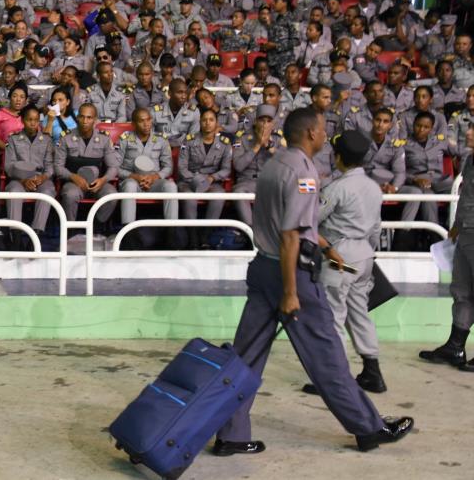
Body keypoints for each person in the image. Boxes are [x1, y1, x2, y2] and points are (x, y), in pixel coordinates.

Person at [212, 107, 413, 457]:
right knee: (327, 356)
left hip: (263, 266)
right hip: (290, 275)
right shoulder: (305, 172)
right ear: (309, 133)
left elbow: (293, 223)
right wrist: (291, 292)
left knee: (246, 357)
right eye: (322, 130)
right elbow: (291, 235)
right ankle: (369, 428)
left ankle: (231, 434)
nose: (325, 135)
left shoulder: (274, 164)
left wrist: (326, 246)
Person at [301, 130, 387, 396]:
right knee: (359, 313)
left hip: (339, 256)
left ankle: (333, 378)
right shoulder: (373, 187)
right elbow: (376, 228)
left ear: (338, 157)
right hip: (364, 255)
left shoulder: (337, 188)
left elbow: (311, 219)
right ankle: (372, 371)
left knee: (332, 317)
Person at [420, 125, 474, 371]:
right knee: (461, 289)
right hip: (466, 231)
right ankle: (455, 346)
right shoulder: (470, 159)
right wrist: (456, 224)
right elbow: (467, 196)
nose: (469, 133)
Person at [117, 107, 178, 242]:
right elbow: (116, 168)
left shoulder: (161, 139)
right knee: (130, 186)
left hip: (154, 181)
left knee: (171, 186)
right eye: (141, 121)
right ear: (133, 123)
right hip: (132, 180)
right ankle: (128, 236)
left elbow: (168, 167)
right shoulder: (125, 139)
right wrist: (135, 177)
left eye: (148, 120)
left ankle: (171, 234)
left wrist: (154, 177)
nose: (146, 124)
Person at [54, 102, 119, 224]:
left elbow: (113, 167)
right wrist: (73, 177)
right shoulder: (66, 137)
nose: (85, 121)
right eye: (82, 117)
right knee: (70, 194)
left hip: (97, 183)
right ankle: (70, 229)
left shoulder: (104, 139)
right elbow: (58, 167)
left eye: (89, 117)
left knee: (111, 194)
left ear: (95, 120)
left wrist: (103, 180)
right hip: (74, 183)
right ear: (77, 118)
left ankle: (96, 226)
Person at [177, 108, 234, 248]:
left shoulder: (224, 143)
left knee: (219, 195)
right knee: (189, 198)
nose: (207, 123)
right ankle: (193, 237)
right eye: (204, 120)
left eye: (211, 120)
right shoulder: (189, 140)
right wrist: (197, 180)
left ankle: (205, 236)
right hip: (189, 181)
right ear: (200, 122)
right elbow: (182, 168)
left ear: (216, 122)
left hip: (212, 182)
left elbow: (226, 169)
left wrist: (212, 178)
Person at [4, 104, 56, 249]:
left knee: (47, 192)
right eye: (29, 120)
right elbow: (9, 167)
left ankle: (36, 236)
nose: (33, 123)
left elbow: (50, 167)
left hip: (40, 178)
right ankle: (15, 236)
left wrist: (42, 178)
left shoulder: (46, 140)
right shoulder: (13, 139)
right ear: (22, 120)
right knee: (14, 192)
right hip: (19, 179)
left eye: (36, 120)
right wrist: (23, 180)